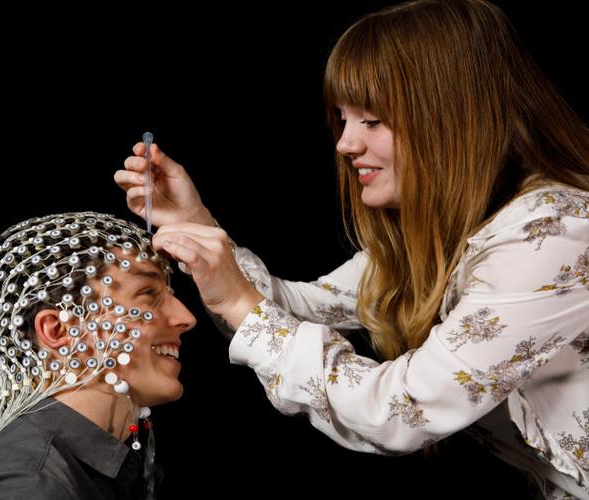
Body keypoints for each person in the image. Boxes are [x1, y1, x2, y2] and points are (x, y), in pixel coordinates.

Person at [114, 1, 589, 497]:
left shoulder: (554, 234)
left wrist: (238, 302)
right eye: (342, 118)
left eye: (372, 120)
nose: (344, 143)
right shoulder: (446, 231)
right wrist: (197, 224)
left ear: (453, 119)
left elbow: (403, 409)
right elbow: (294, 309)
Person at [0, 211, 196, 500]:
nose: (186, 317)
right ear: (58, 330)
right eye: (148, 294)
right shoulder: (30, 487)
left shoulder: (70, 473)